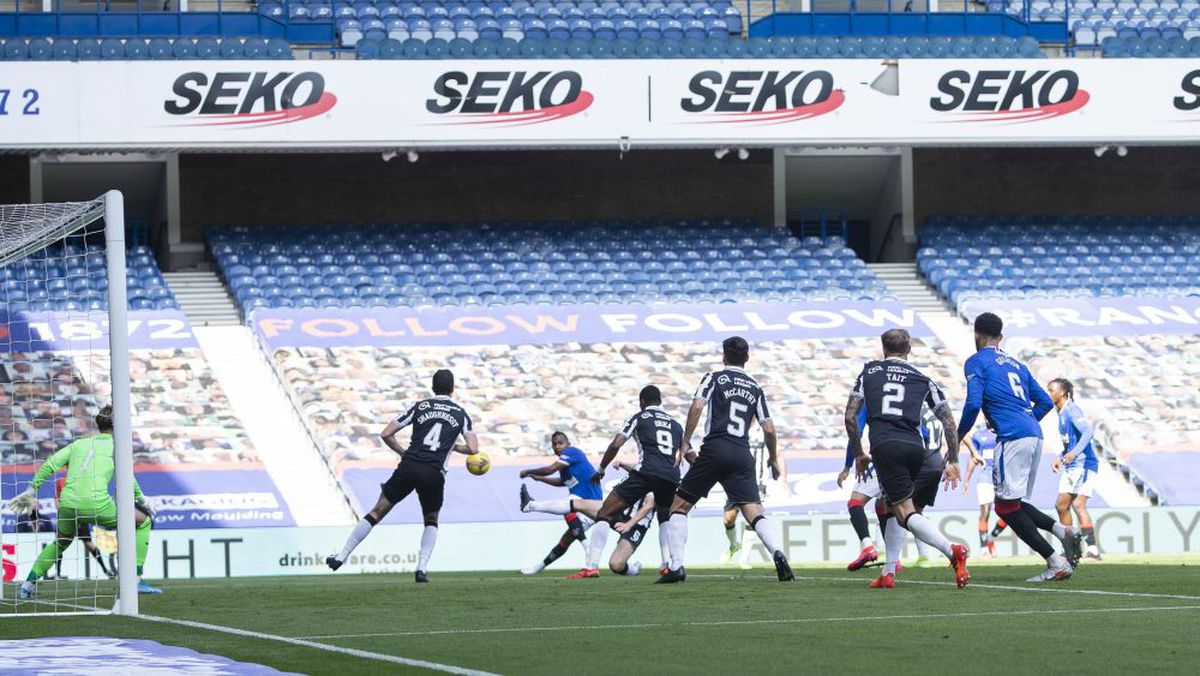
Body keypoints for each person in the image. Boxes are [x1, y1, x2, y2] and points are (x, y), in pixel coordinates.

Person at [957, 313, 1082, 582]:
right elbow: (1045, 402)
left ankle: (1055, 561)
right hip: (1034, 435)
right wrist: (1024, 421)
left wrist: (957, 437)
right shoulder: (1018, 365)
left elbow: (973, 403)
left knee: (1004, 509)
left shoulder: (976, 361)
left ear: (977, 334)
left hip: (1013, 438)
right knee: (1012, 503)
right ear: (1000, 337)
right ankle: (1064, 531)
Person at [658, 336, 794, 583]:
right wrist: (774, 459)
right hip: (742, 454)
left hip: (715, 449)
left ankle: (676, 566)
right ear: (747, 358)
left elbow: (697, 407)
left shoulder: (714, 378)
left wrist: (685, 442)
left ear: (723, 357)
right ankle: (777, 552)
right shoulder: (755, 387)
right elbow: (769, 429)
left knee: (678, 507)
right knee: (754, 512)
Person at [326, 369, 479, 583]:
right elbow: (473, 449)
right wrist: (452, 446)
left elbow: (386, 433)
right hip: (434, 472)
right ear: (453, 389)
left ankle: (341, 556)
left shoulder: (420, 406)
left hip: (410, 466)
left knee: (377, 511)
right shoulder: (462, 414)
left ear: (433, 387)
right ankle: (421, 569)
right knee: (431, 519)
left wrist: (403, 452)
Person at [845, 328, 969, 590]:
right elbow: (948, 421)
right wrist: (954, 459)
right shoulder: (923, 378)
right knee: (889, 506)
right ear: (909, 349)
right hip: (916, 449)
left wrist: (858, 453)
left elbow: (850, 416)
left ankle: (952, 550)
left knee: (904, 512)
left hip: (885, 445)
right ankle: (888, 573)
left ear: (883, 349)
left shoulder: (869, 372)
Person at [12, 405, 159, 598]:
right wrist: (141, 498)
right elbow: (127, 477)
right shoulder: (118, 446)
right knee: (143, 521)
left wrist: (31, 490)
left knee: (61, 542)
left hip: (68, 504)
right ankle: (136, 579)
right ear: (120, 424)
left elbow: (49, 465)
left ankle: (27, 585)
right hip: (97, 504)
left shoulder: (79, 444)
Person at [518, 431, 605, 578]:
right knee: (565, 540)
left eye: (560, 443)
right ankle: (538, 567)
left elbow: (550, 469)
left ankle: (531, 506)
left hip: (590, 501)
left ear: (568, 444)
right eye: (554, 444)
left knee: (568, 508)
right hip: (582, 505)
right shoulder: (565, 467)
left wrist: (527, 471)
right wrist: (539, 478)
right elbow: (562, 482)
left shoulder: (572, 452)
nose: (557, 446)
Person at [1049, 378, 1100, 562]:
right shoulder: (1062, 413)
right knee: (1071, 505)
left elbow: (1088, 432)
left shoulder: (1072, 409)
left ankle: (1080, 550)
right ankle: (1077, 550)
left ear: (1062, 392)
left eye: (1051, 390)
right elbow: (1070, 443)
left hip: (1083, 464)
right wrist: (1060, 455)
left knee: (1066, 505)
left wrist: (1074, 452)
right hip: (1073, 464)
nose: (1049, 393)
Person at [722, 438, 787, 569]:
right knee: (728, 519)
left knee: (752, 519)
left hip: (757, 483)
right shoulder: (737, 429)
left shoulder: (764, 431)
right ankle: (734, 545)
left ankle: (744, 559)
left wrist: (784, 478)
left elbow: (778, 452)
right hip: (736, 480)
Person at [963, 425, 999, 557]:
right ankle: (984, 549)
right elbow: (973, 458)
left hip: (1002, 478)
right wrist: (966, 480)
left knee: (1009, 512)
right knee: (985, 511)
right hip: (985, 477)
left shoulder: (1003, 430)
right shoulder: (979, 435)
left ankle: (991, 538)